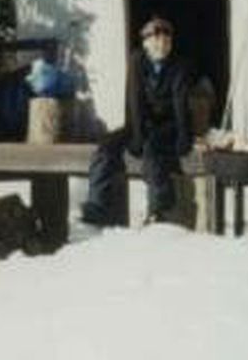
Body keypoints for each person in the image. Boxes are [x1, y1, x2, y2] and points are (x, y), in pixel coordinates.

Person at [79, 15, 194, 226]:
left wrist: (185, 138)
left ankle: (159, 208)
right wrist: (136, 135)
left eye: (167, 40)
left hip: (169, 124)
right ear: (146, 43)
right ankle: (97, 204)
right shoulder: (137, 60)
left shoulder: (179, 65)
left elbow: (180, 103)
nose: (162, 44)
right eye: (156, 40)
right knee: (106, 146)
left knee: (154, 151)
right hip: (140, 121)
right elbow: (134, 98)